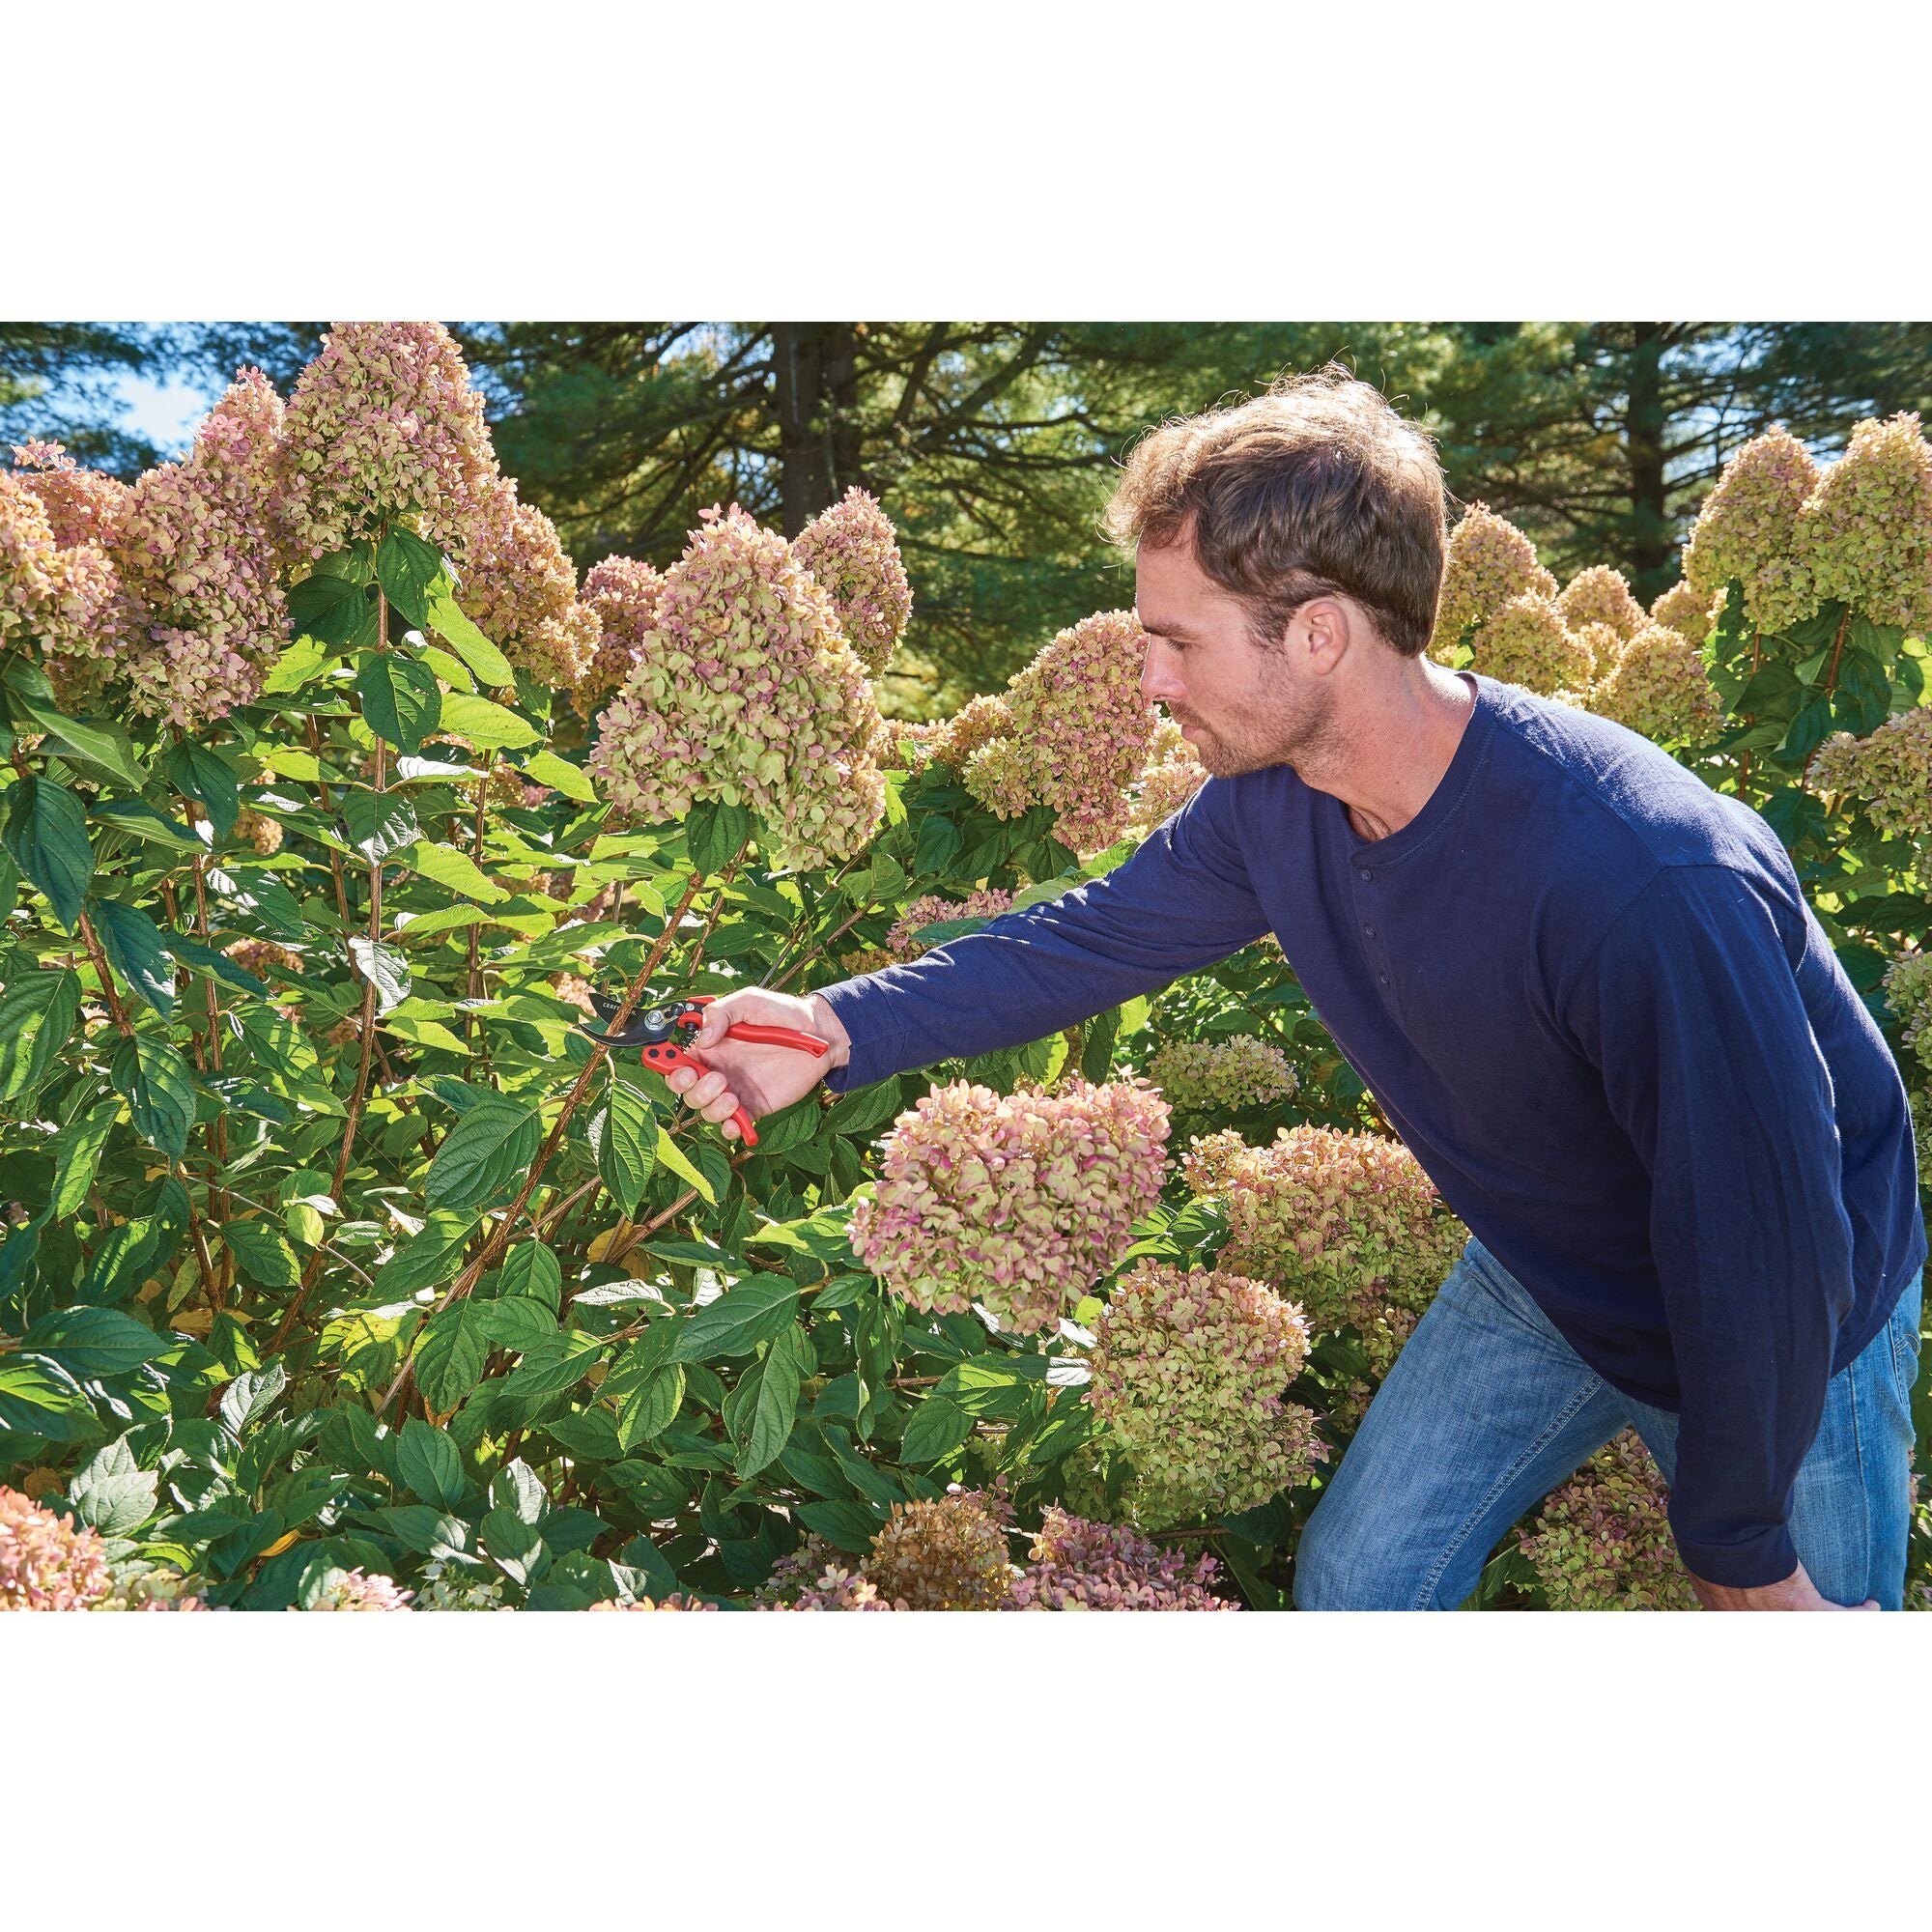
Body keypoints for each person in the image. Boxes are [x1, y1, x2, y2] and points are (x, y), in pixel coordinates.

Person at [658, 368, 1926, 1611]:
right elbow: (1087, 941)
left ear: (1319, 632)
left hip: (1787, 1319)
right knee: (1359, 1584)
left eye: (1176, 643)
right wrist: (833, 1026)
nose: (1149, 685)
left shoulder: (1641, 879)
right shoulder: (1276, 803)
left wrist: (1740, 1547)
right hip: (1546, 1272)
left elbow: (1760, 1237)